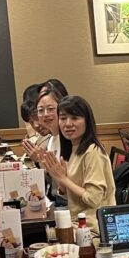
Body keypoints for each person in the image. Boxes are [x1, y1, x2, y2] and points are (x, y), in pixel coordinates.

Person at [39, 96, 116, 235]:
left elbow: (93, 199)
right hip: (77, 221)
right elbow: (72, 198)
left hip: (95, 228)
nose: (68, 124)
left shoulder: (93, 152)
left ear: (87, 121)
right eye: (63, 118)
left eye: (75, 118)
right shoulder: (74, 148)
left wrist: (63, 179)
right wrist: (59, 179)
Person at [21, 85, 67, 206]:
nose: (46, 114)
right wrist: (41, 163)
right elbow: (52, 181)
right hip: (56, 199)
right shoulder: (52, 139)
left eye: (50, 109)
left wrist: (59, 177)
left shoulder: (68, 140)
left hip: (65, 204)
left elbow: (65, 186)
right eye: (41, 110)